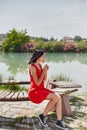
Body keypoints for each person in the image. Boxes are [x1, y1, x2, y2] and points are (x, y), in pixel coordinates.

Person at [28, 49, 67, 129]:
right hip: (34, 91)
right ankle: (43, 115)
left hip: (41, 89)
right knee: (56, 97)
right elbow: (37, 83)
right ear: (38, 57)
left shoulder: (40, 65)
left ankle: (59, 121)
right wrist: (43, 71)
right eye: (43, 56)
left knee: (58, 98)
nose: (44, 57)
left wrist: (45, 71)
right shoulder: (32, 67)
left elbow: (44, 79)